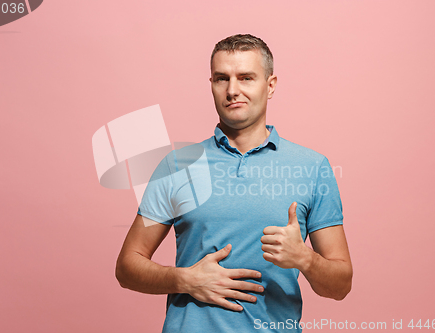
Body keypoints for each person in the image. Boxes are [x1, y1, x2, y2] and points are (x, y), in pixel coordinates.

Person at [116, 34, 353, 332]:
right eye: (221, 79)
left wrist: (305, 259)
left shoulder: (312, 167)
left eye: (246, 78)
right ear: (211, 84)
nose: (232, 90)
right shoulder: (177, 166)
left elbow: (341, 285)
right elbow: (127, 267)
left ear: (270, 85)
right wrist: (184, 279)